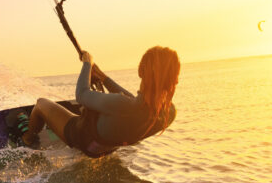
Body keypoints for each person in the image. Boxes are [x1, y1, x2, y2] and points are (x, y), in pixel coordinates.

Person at [20, 46, 179, 158]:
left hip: (81, 138)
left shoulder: (122, 105)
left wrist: (87, 64)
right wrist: (103, 77)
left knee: (41, 104)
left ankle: (27, 139)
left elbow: (81, 94)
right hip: (106, 147)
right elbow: (137, 103)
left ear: (142, 72)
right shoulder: (168, 113)